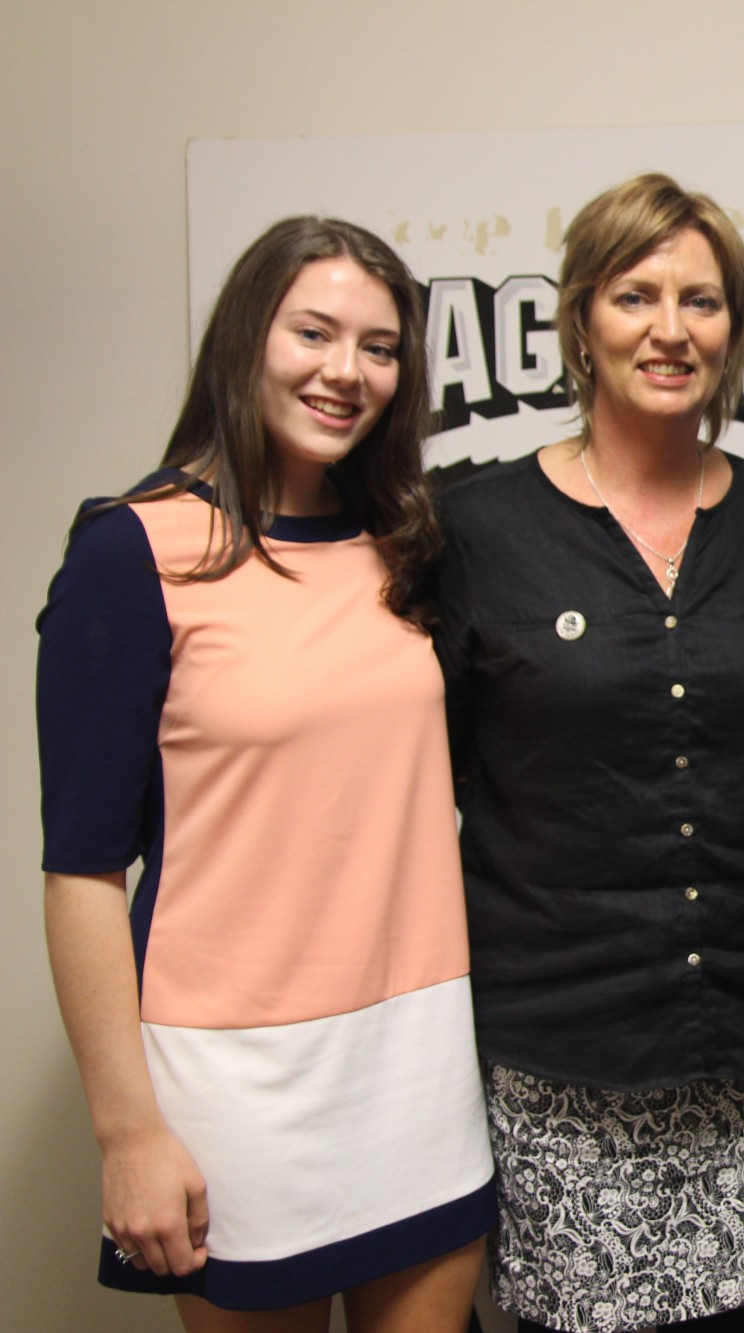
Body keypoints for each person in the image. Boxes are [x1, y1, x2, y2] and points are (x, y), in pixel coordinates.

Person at [36, 216, 494, 1330]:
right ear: (247, 335)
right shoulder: (130, 551)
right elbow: (84, 873)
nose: (347, 371)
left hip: (417, 1064)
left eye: (380, 348)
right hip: (234, 1084)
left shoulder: (407, 544)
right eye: (314, 331)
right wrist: (127, 1131)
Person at [434, 172, 744, 1333]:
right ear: (579, 318)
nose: (671, 328)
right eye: (635, 294)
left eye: (702, 301)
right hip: (559, 1054)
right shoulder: (479, 530)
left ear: (736, 329)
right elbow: (421, 791)